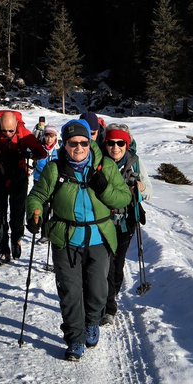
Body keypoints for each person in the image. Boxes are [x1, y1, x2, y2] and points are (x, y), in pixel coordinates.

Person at [26, 118, 132, 361]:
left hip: (99, 238)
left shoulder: (105, 166)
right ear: (65, 145)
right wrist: (35, 213)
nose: (79, 148)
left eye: (84, 143)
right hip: (66, 239)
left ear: (90, 142)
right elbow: (37, 195)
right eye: (73, 143)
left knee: (97, 290)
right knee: (71, 292)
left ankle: (92, 321)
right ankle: (75, 337)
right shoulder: (55, 169)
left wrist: (103, 187)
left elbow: (123, 199)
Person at [0, 110, 47, 264]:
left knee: (17, 215)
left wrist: (29, 153)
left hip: (18, 179)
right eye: (4, 130)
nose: (7, 134)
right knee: (0, 218)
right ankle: (3, 251)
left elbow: (42, 153)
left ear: (16, 124)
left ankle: (16, 240)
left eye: (11, 130)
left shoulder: (24, 133)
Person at [98, 123, 151, 325]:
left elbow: (149, 192)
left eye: (120, 143)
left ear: (127, 144)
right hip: (101, 221)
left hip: (125, 222)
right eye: (111, 142)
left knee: (116, 265)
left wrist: (141, 188)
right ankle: (104, 304)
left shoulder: (135, 163)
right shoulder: (99, 161)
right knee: (102, 264)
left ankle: (109, 305)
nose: (115, 147)